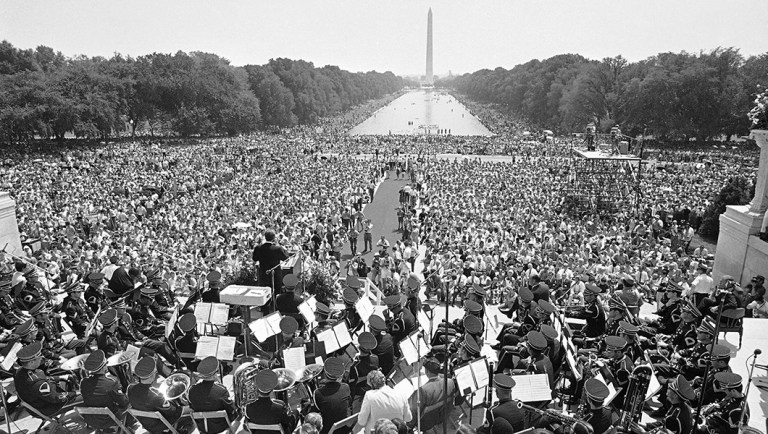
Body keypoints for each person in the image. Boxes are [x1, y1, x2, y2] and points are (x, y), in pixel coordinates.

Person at [13, 341, 79, 417]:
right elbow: (56, 397)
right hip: (48, 408)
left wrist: (60, 377)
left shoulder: (20, 371)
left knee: (68, 380)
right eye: (39, 358)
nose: (41, 359)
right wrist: (75, 393)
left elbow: (44, 379)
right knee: (84, 397)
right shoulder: (37, 382)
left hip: (38, 402)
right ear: (31, 362)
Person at [128, 356, 191, 433]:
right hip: (161, 424)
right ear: (154, 374)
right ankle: (179, 428)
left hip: (147, 424)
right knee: (191, 410)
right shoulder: (157, 395)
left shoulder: (130, 388)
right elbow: (173, 412)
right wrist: (179, 402)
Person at [79, 350, 131, 431]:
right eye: (106, 364)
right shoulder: (111, 383)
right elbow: (124, 402)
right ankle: (124, 428)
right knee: (130, 404)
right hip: (109, 420)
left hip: (91, 420)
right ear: (103, 367)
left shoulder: (83, 382)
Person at [188, 356, 238, 434]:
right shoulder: (221, 390)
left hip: (202, 427)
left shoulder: (192, 390)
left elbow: (191, 407)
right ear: (216, 373)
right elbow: (231, 409)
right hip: (220, 426)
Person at [407, 357, 456, 432]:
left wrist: (409, 426)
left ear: (427, 372)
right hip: (444, 415)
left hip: (426, 422)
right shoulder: (450, 382)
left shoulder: (423, 390)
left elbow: (414, 412)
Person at [245, 369, 298, 434]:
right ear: (272, 389)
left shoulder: (248, 408)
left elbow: (248, 422)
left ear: (257, 389)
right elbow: (287, 422)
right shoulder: (279, 408)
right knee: (296, 412)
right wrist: (290, 414)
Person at [312, 357, 352, 434]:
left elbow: (315, 413)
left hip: (328, 430)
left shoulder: (317, 393)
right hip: (344, 428)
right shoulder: (346, 387)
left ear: (325, 373)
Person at [253, 230, 289, 294]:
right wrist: (284, 249)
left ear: (265, 237)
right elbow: (286, 258)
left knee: (264, 294)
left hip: (263, 274)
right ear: (273, 238)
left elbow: (255, 258)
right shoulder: (278, 248)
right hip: (276, 275)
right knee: (276, 293)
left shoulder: (258, 248)